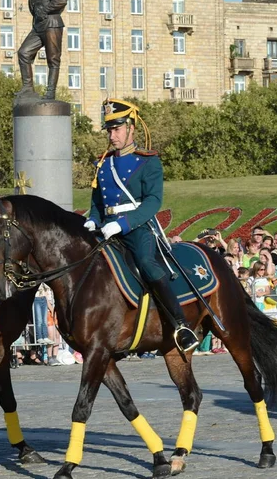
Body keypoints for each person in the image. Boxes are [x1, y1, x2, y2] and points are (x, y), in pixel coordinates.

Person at [84, 98, 199, 353]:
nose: (112, 135)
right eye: (109, 130)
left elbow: (152, 203)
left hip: (137, 227)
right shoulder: (103, 163)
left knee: (147, 264)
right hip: (106, 228)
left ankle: (180, 325)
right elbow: (97, 201)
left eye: (117, 129)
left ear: (131, 128)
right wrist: (92, 219)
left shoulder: (148, 161)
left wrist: (123, 224)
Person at [17, 0, 68, 100]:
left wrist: (45, 9)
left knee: (53, 59)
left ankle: (50, 91)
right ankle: (27, 88)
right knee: (24, 53)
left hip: (52, 23)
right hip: (38, 25)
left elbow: (60, 1)